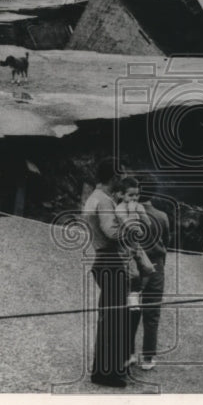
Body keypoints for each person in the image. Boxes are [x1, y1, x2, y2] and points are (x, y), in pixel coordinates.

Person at [82, 158, 129, 387]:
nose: (121, 180)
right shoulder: (105, 201)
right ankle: (106, 372)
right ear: (112, 177)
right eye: (119, 176)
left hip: (100, 258)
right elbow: (112, 232)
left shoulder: (92, 198)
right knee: (115, 318)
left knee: (108, 316)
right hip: (111, 259)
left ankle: (104, 367)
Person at [127, 181, 171, 372]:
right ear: (153, 193)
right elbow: (167, 241)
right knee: (152, 312)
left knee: (131, 307)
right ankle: (148, 356)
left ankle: (128, 352)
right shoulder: (162, 216)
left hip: (134, 263)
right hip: (155, 263)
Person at [112, 178, 155, 309]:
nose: (134, 198)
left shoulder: (136, 208)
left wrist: (142, 213)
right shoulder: (120, 209)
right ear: (121, 195)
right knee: (134, 274)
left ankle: (136, 293)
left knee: (149, 269)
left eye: (137, 195)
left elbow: (148, 224)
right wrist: (132, 211)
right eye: (130, 195)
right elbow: (132, 227)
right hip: (124, 246)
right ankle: (131, 298)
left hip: (135, 244)